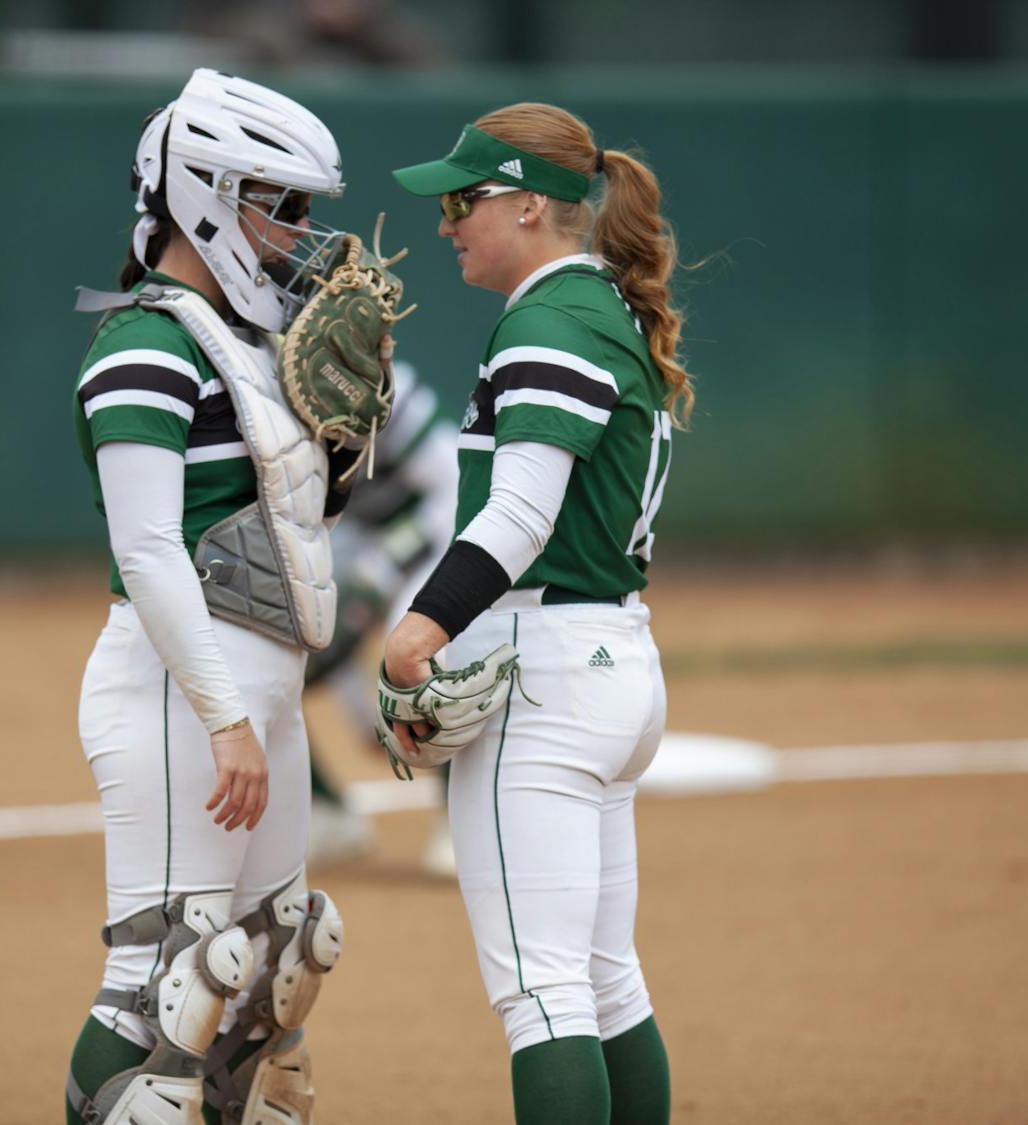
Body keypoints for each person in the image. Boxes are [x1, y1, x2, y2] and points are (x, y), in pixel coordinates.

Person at [381, 103, 693, 1124]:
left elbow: (521, 513)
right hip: (609, 662)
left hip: (549, 668)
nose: (446, 223)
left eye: (464, 201)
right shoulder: (602, 306)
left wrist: (419, 630)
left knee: (542, 993)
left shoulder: (550, 318)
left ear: (527, 205)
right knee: (604, 982)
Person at [65, 69, 355, 1125]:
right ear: (204, 194)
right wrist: (226, 716)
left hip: (254, 695)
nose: (299, 235)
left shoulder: (251, 342)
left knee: (270, 982)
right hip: (181, 696)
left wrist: (340, 452)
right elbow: (147, 551)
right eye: (281, 208)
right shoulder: (144, 342)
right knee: (163, 987)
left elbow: (289, 523)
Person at [303, 358, 462, 873]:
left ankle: (458, 824)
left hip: (439, 521)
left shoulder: (391, 386)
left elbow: (449, 493)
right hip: (353, 534)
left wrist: (386, 566)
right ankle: (326, 813)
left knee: (428, 655)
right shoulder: (275, 390)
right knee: (272, 657)